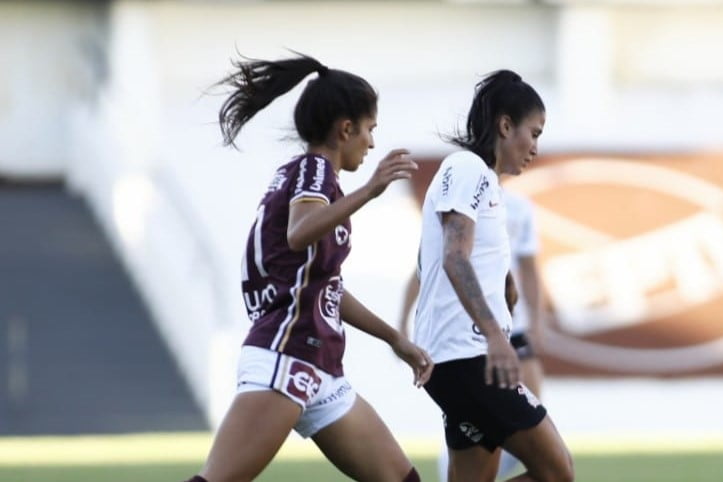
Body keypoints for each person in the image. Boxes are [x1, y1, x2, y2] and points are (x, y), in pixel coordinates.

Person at [183, 52, 434, 482]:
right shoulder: (315, 170)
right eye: (370, 129)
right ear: (346, 128)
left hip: (320, 366)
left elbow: (327, 288)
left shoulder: (311, 179)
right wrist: (372, 188)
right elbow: (299, 232)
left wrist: (394, 337)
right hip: (287, 353)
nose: (372, 143)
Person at [413, 70, 574, 482]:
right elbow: (454, 256)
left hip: (455, 362)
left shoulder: (487, 186)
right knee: (557, 472)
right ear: (505, 126)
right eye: (533, 133)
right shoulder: (469, 168)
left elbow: (461, 252)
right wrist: (496, 335)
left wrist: (504, 282)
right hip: (470, 359)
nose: (535, 147)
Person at [398, 189, 547, 481]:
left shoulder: (518, 207)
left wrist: (537, 322)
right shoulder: (459, 197)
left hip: (513, 330)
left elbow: (529, 268)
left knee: (524, 425)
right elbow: (428, 267)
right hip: (471, 340)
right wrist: (403, 323)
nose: (532, 147)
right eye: (530, 138)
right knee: (551, 465)